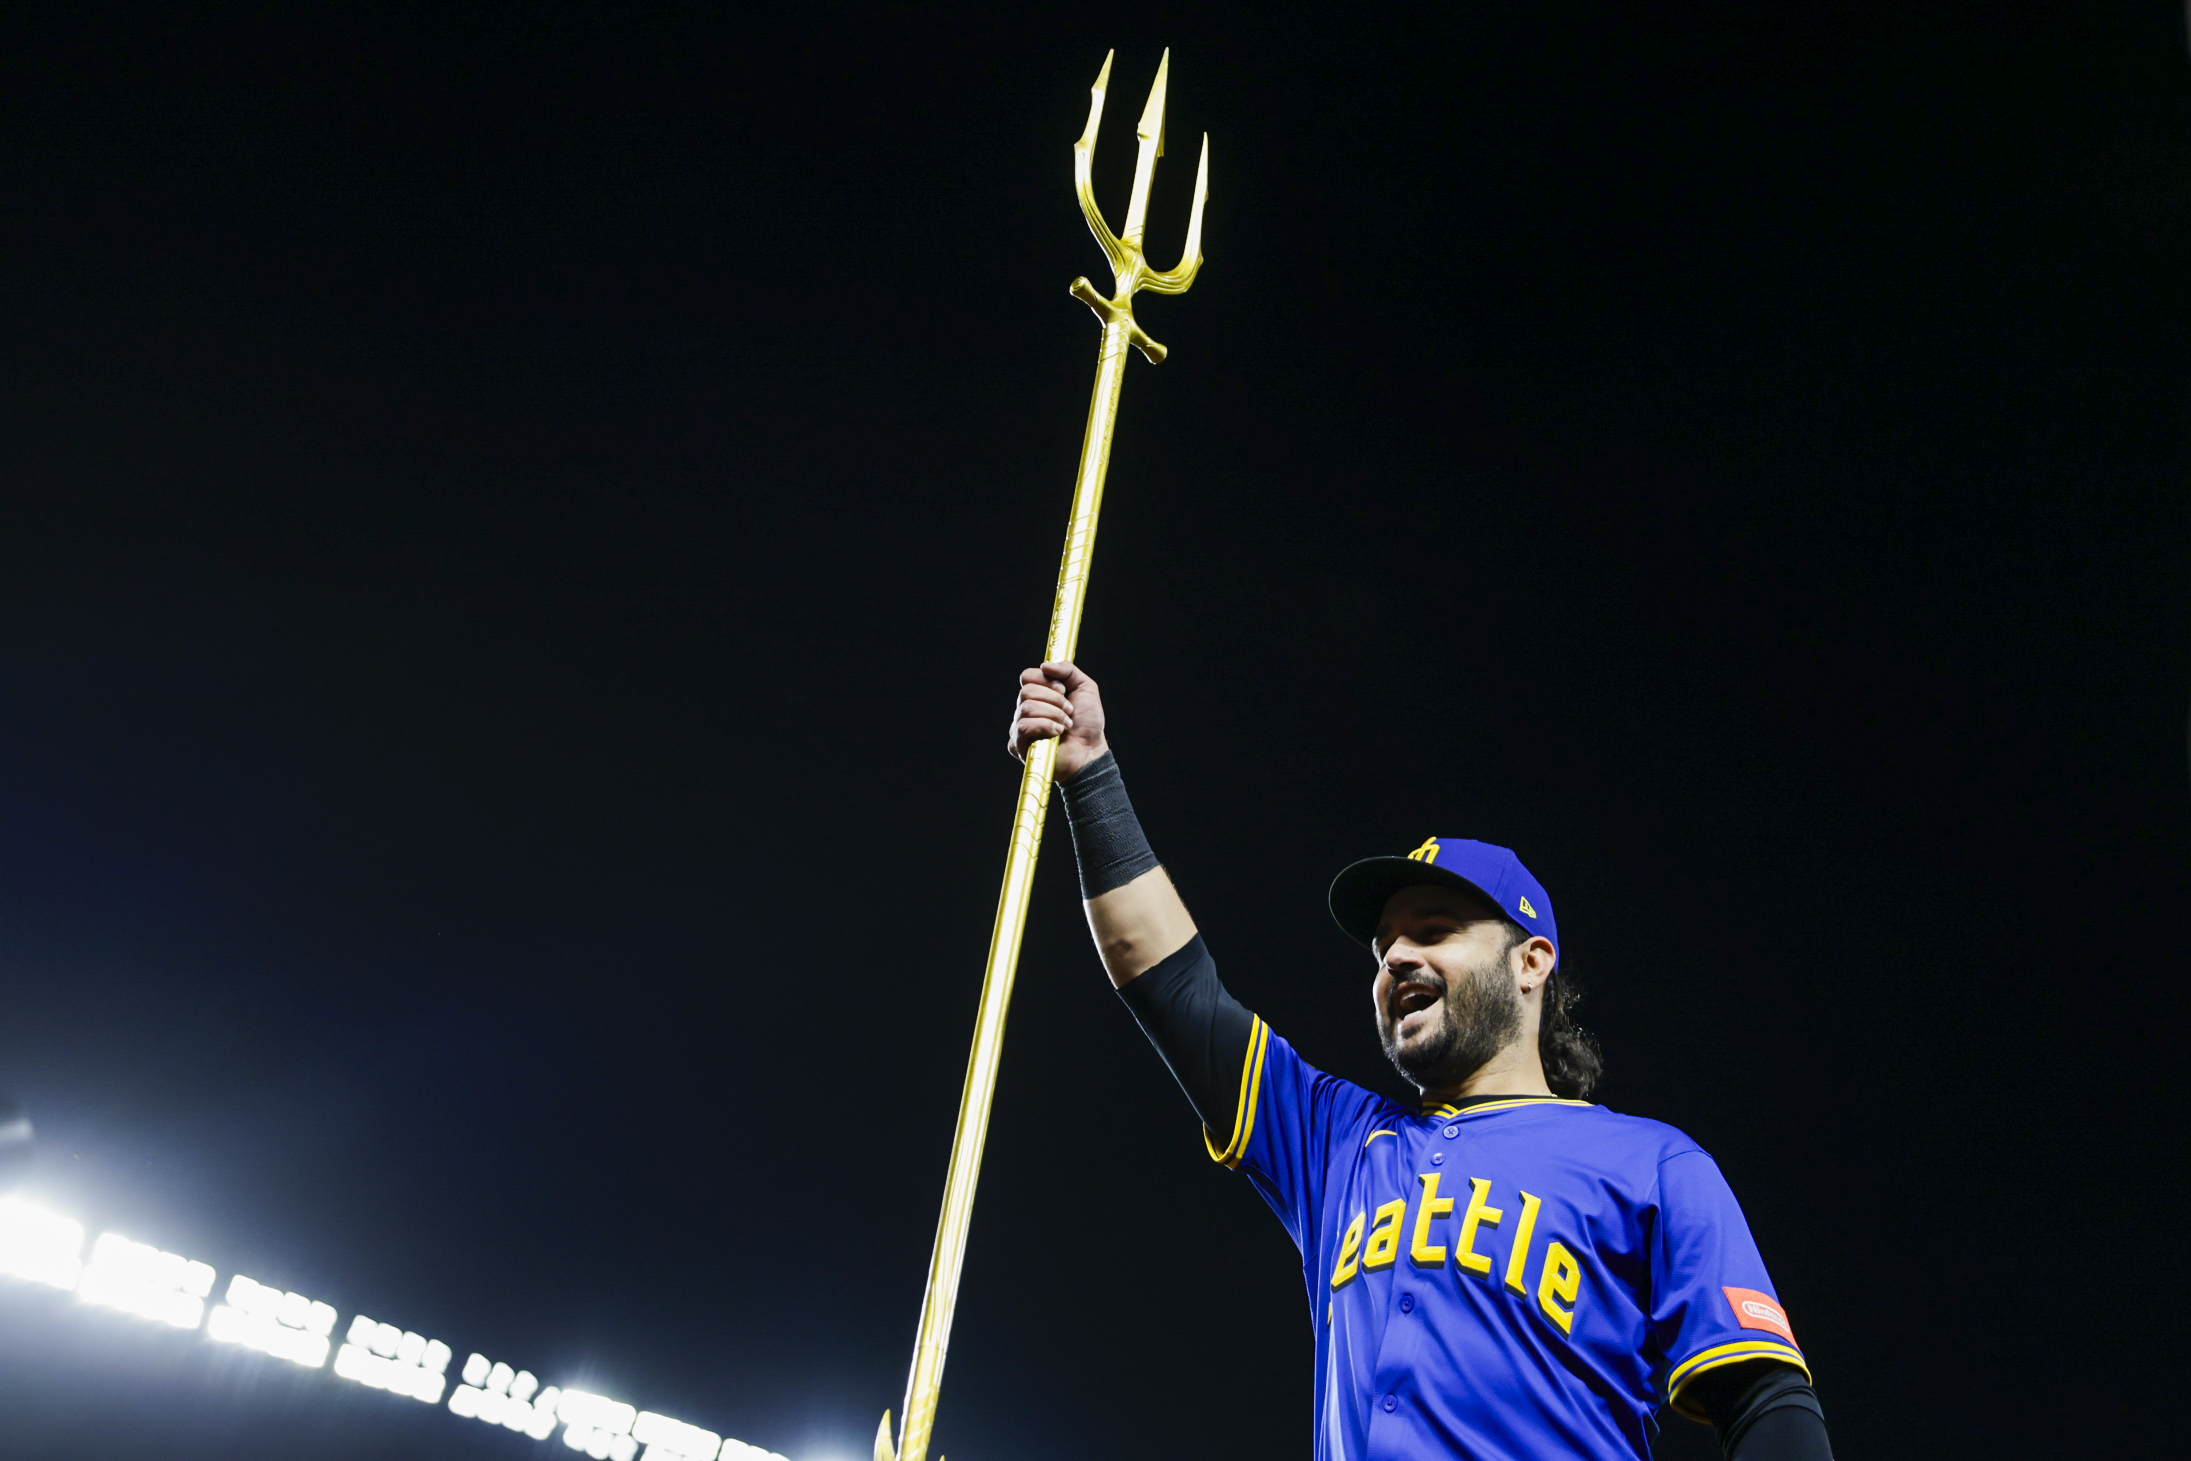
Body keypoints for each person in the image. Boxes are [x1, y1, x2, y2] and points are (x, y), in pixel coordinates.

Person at [1009, 660, 1833, 1461]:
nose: (1395, 954)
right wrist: (1088, 775)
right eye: (1382, 944)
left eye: (1434, 929)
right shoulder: (1336, 1142)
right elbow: (1173, 988)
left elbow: (1766, 1402)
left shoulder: (1651, 1162)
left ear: (1530, 962)